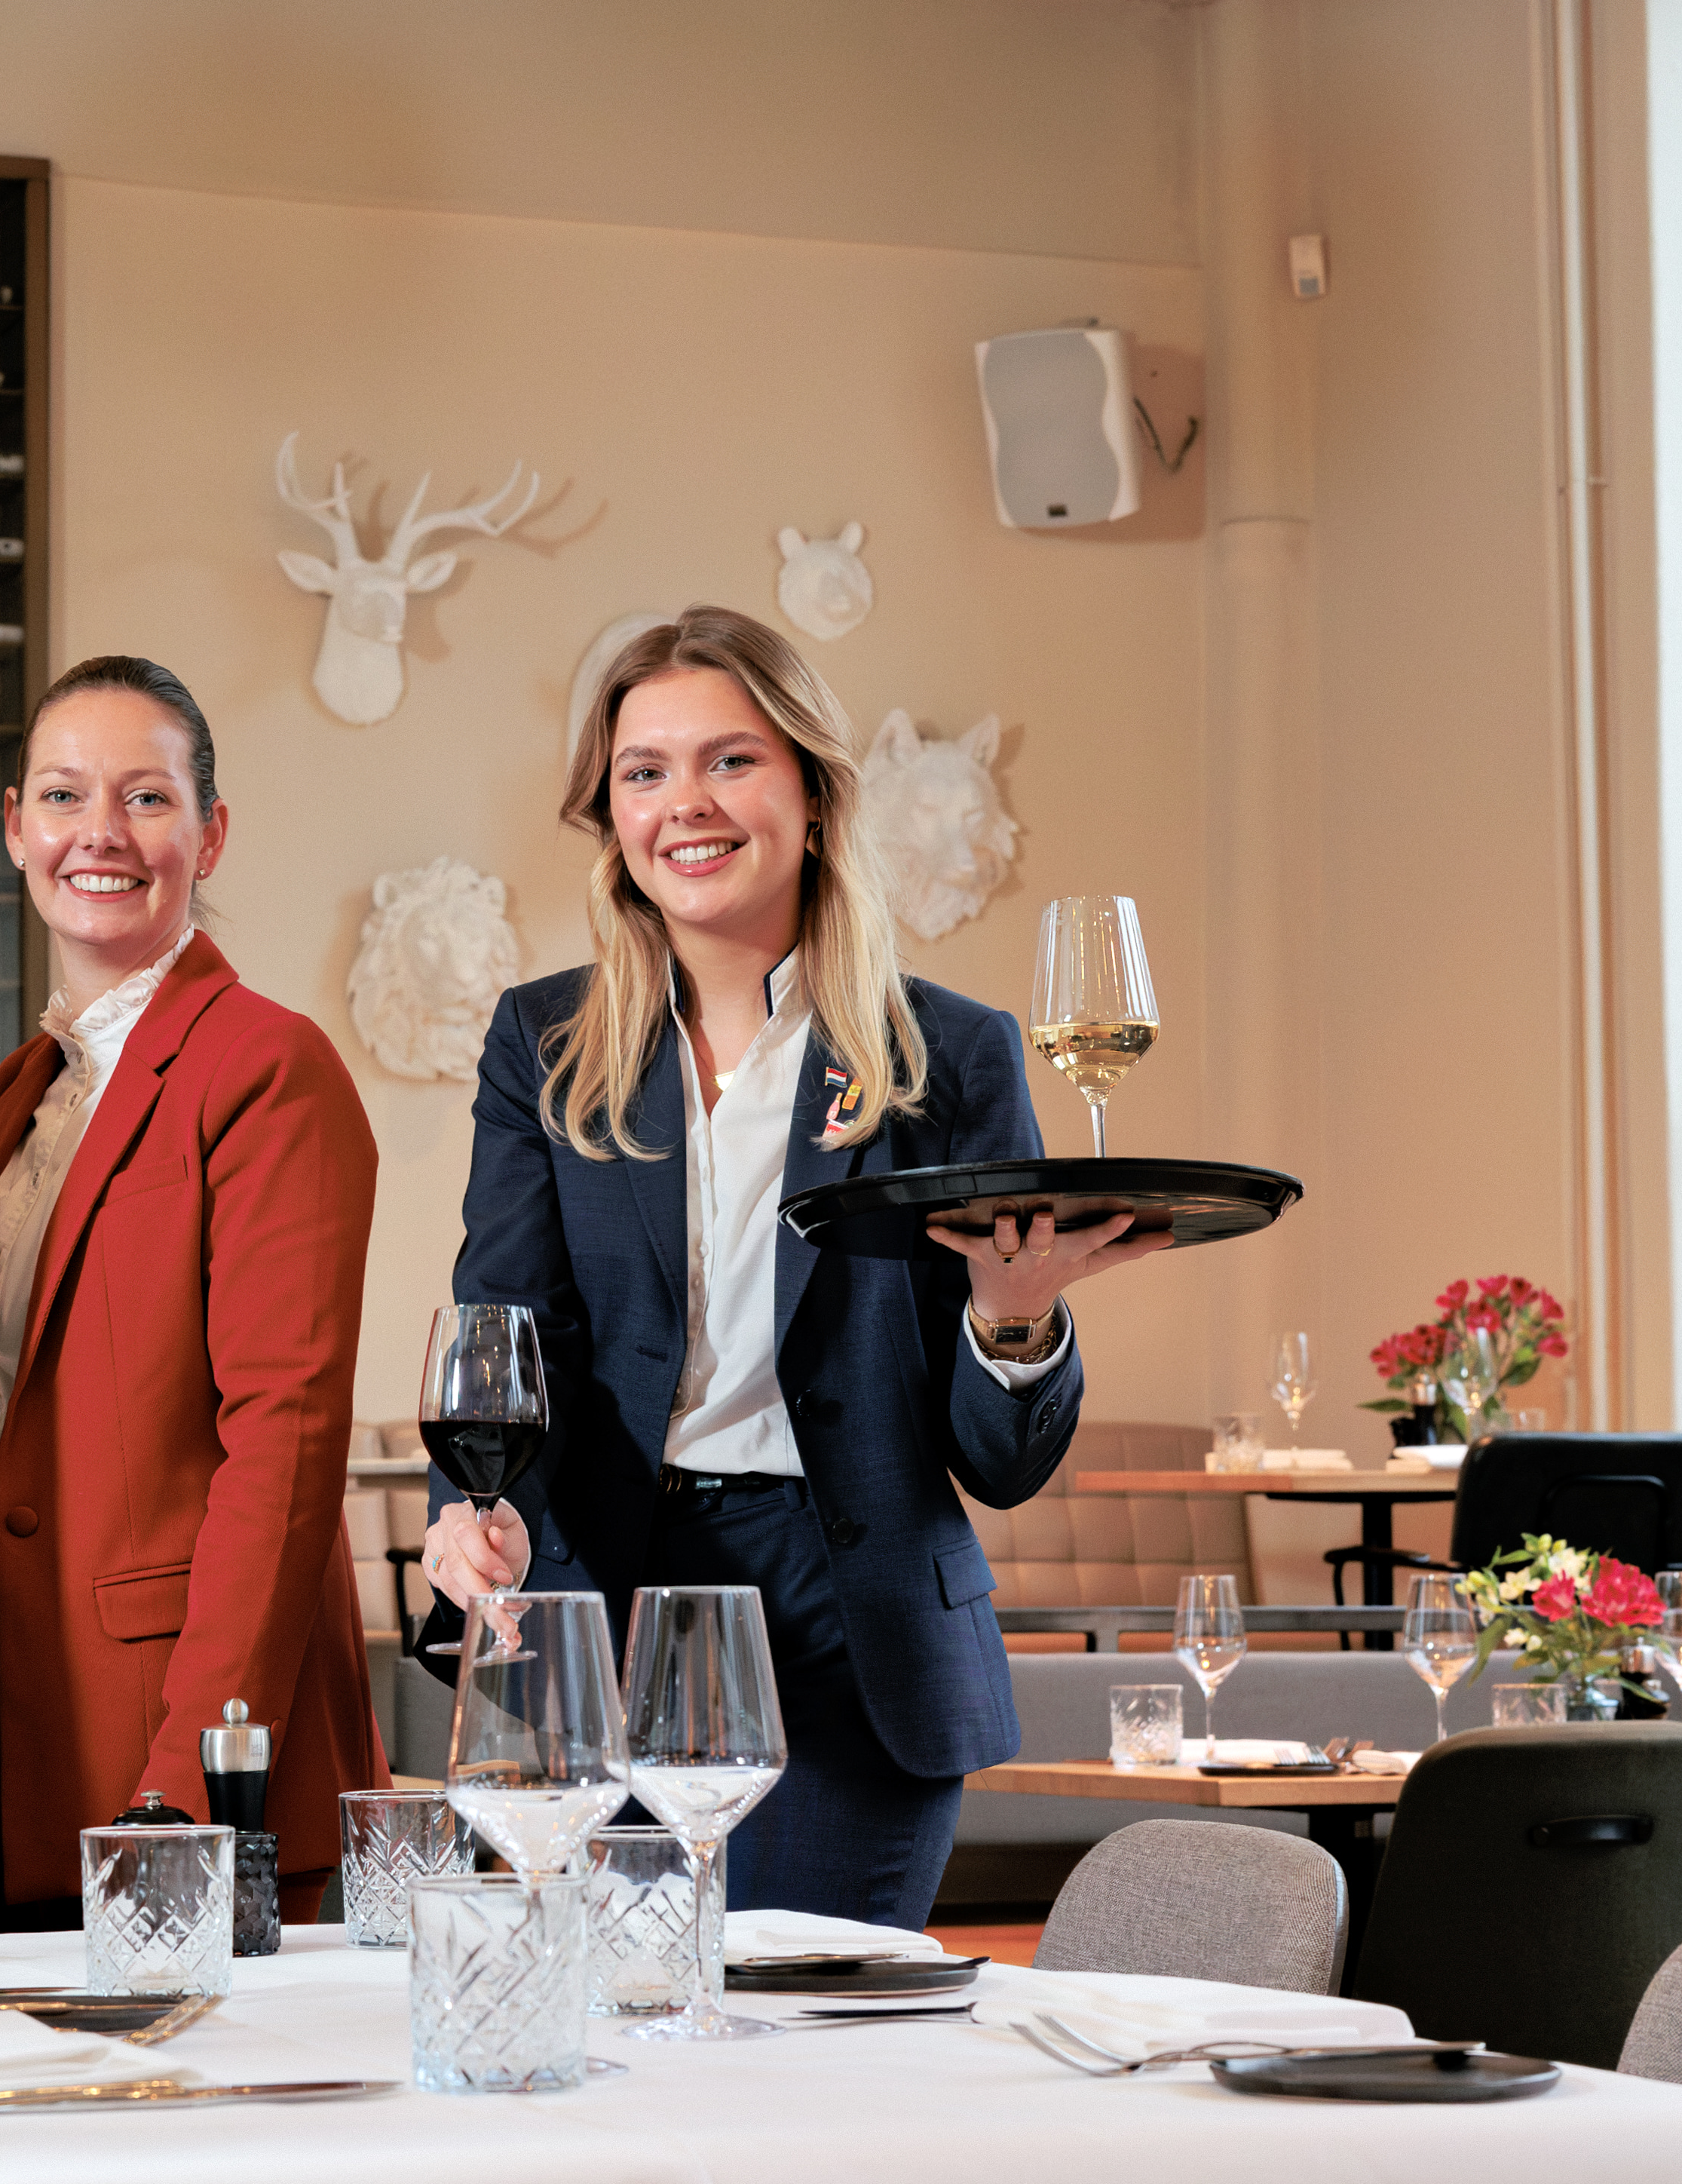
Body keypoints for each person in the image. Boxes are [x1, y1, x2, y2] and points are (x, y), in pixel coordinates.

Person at [415, 606, 1164, 1929]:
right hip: (598, 1598)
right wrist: (470, 1513)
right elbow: (504, 1336)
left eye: (729, 761)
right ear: (612, 816)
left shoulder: (951, 1057)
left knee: (816, 2062)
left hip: (850, 1627)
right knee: (604, 2055)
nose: (683, 805)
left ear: (812, 795)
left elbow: (999, 1463)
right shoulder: (543, 1043)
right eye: (642, 772)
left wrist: (1013, 1321)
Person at [0, 655, 388, 1928]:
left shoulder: (269, 1066)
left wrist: (192, 1785)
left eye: (146, 799)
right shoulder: (15, 1092)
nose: (99, 834)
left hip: (161, 1727)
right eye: (63, 796)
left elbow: (284, 1450)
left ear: (208, 833)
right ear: (15, 828)